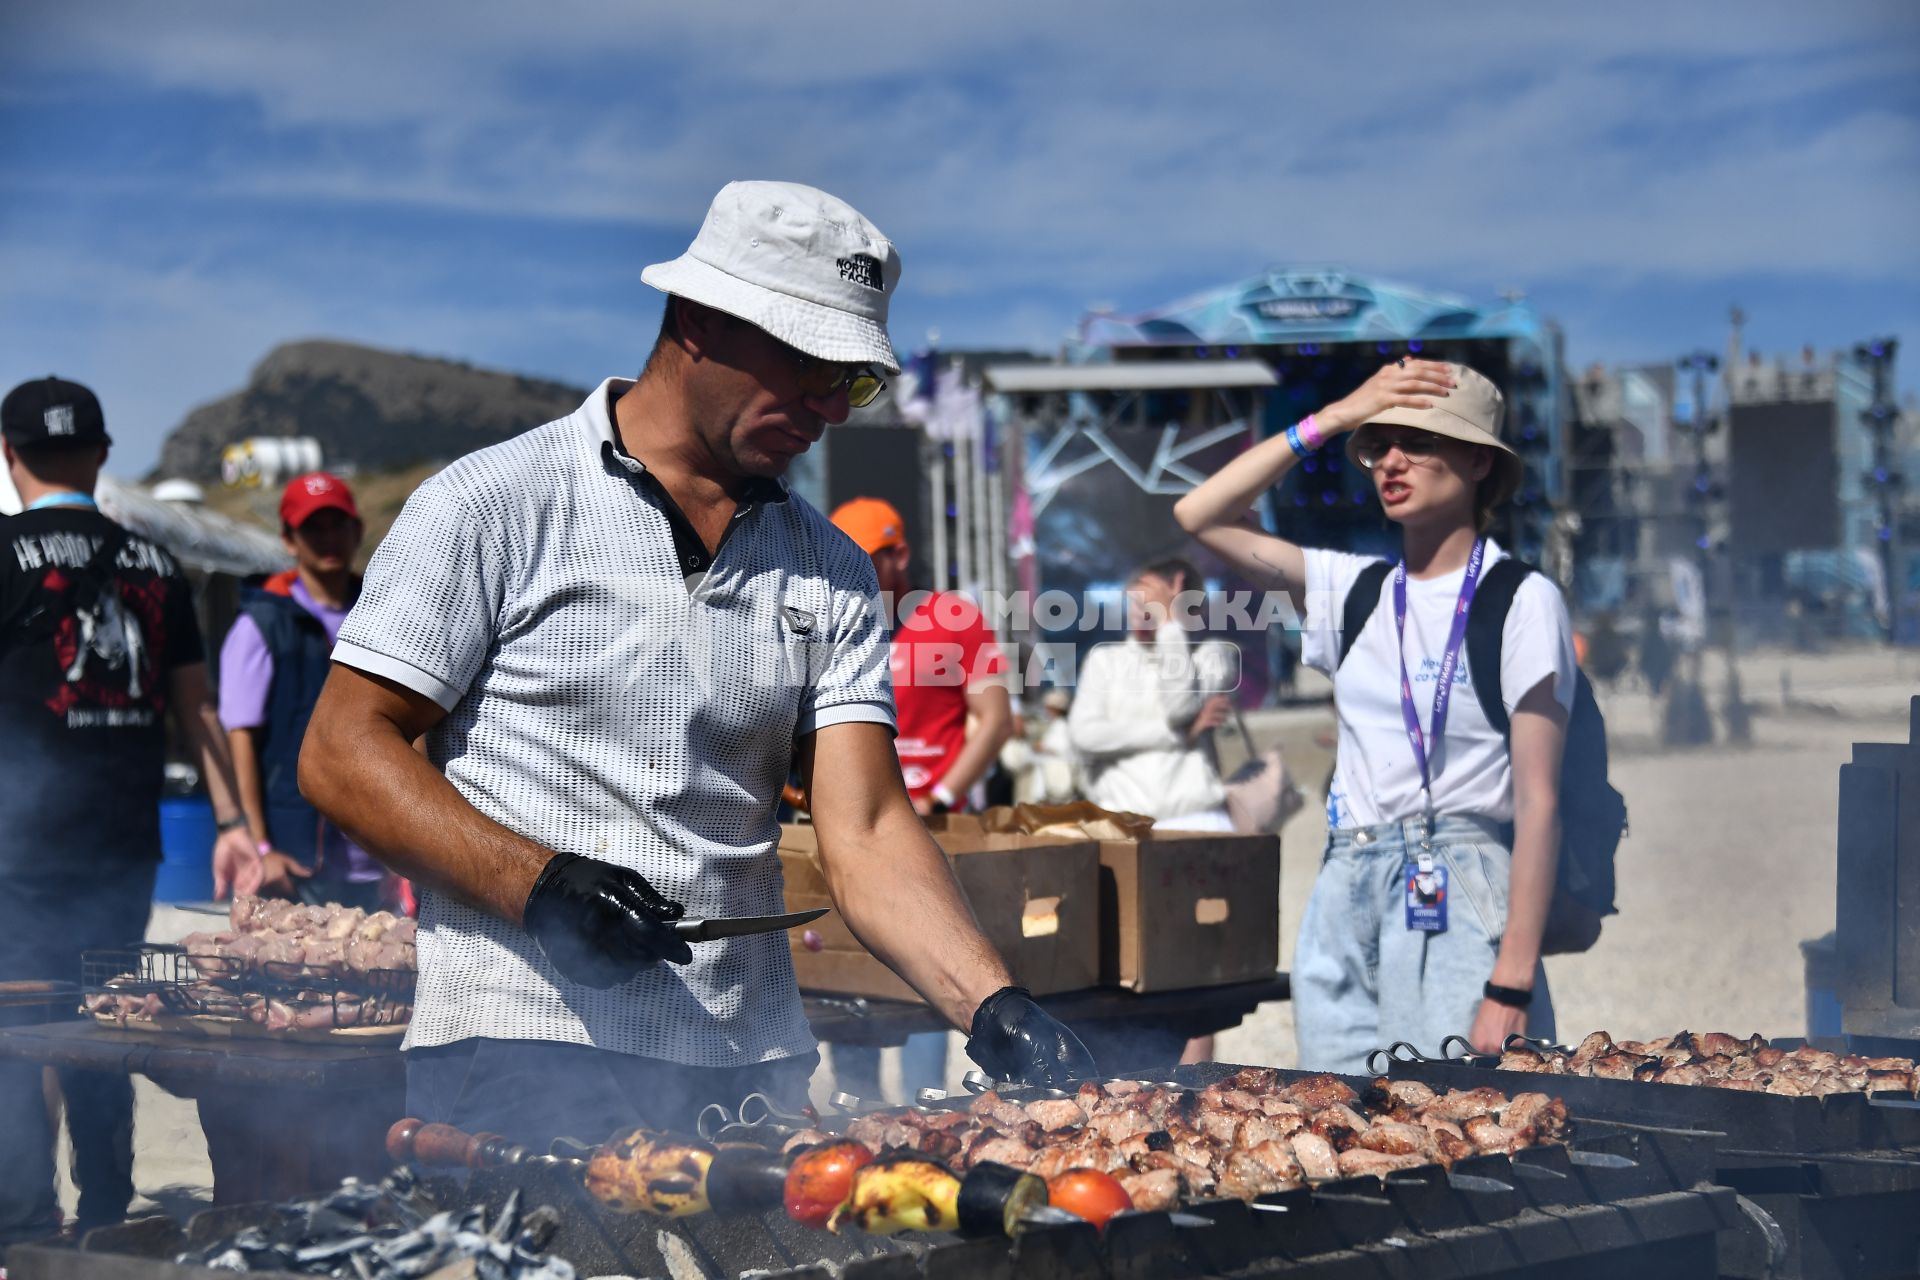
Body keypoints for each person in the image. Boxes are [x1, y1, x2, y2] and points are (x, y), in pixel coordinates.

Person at [298, 181, 1094, 1146]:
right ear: (699, 320)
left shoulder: (830, 567)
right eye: (812, 366)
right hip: (524, 1041)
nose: (832, 408)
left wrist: (996, 1007)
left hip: (747, 1058)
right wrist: (537, 884)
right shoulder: (492, 504)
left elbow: (871, 830)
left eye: (855, 381)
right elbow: (343, 751)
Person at [1175, 360, 1572, 1072]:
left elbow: (1541, 800)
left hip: (1458, 873)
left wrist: (1511, 980)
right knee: (1345, 1129)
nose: (1391, 459)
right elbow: (1197, 514)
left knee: (1456, 1133)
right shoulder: (1351, 588)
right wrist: (1334, 416)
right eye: (1379, 443)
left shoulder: (1522, 597)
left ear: (1479, 460)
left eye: (1419, 442)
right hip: (1344, 878)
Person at [0, 377, 260, 1245]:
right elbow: (201, 709)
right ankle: (109, 1218)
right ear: (102, 455)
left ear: (8, 453)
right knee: (101, 1028)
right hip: (125, 845)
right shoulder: (157, 564)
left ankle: (28, 1233)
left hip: (19, 851)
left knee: (14, 1039)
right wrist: (233, 825)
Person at [826, 496, 1013, 1099]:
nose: (847, 566)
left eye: (864, 555)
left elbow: (994, 718)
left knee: (930, 960)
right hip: (850, 820)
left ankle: (923, 1106)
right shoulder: (830, 619)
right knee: (846, 966)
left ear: (898, 553)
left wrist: (945, 792)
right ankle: (856, 1111)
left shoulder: (953, 617)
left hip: (935, 820)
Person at [218, 472, 387, 909]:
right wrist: (260, 848)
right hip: (297, 862)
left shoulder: (386, 614)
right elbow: (240, 742)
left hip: (383, 856)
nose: (328, 537)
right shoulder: (261, 625)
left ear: (358, 530)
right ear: (289, 540)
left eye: (337, 524)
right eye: (313, 528)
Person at [1067, 557, 1238, 831]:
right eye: (1136, 603)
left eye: (1154, 605)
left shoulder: (1212, 656)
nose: (1141, 613)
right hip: (1121, 824)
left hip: (1196, 819)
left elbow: (1179, 708)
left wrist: (1170, 626)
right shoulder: (1105, 660)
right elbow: (1084, 737)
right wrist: (1179, 735)